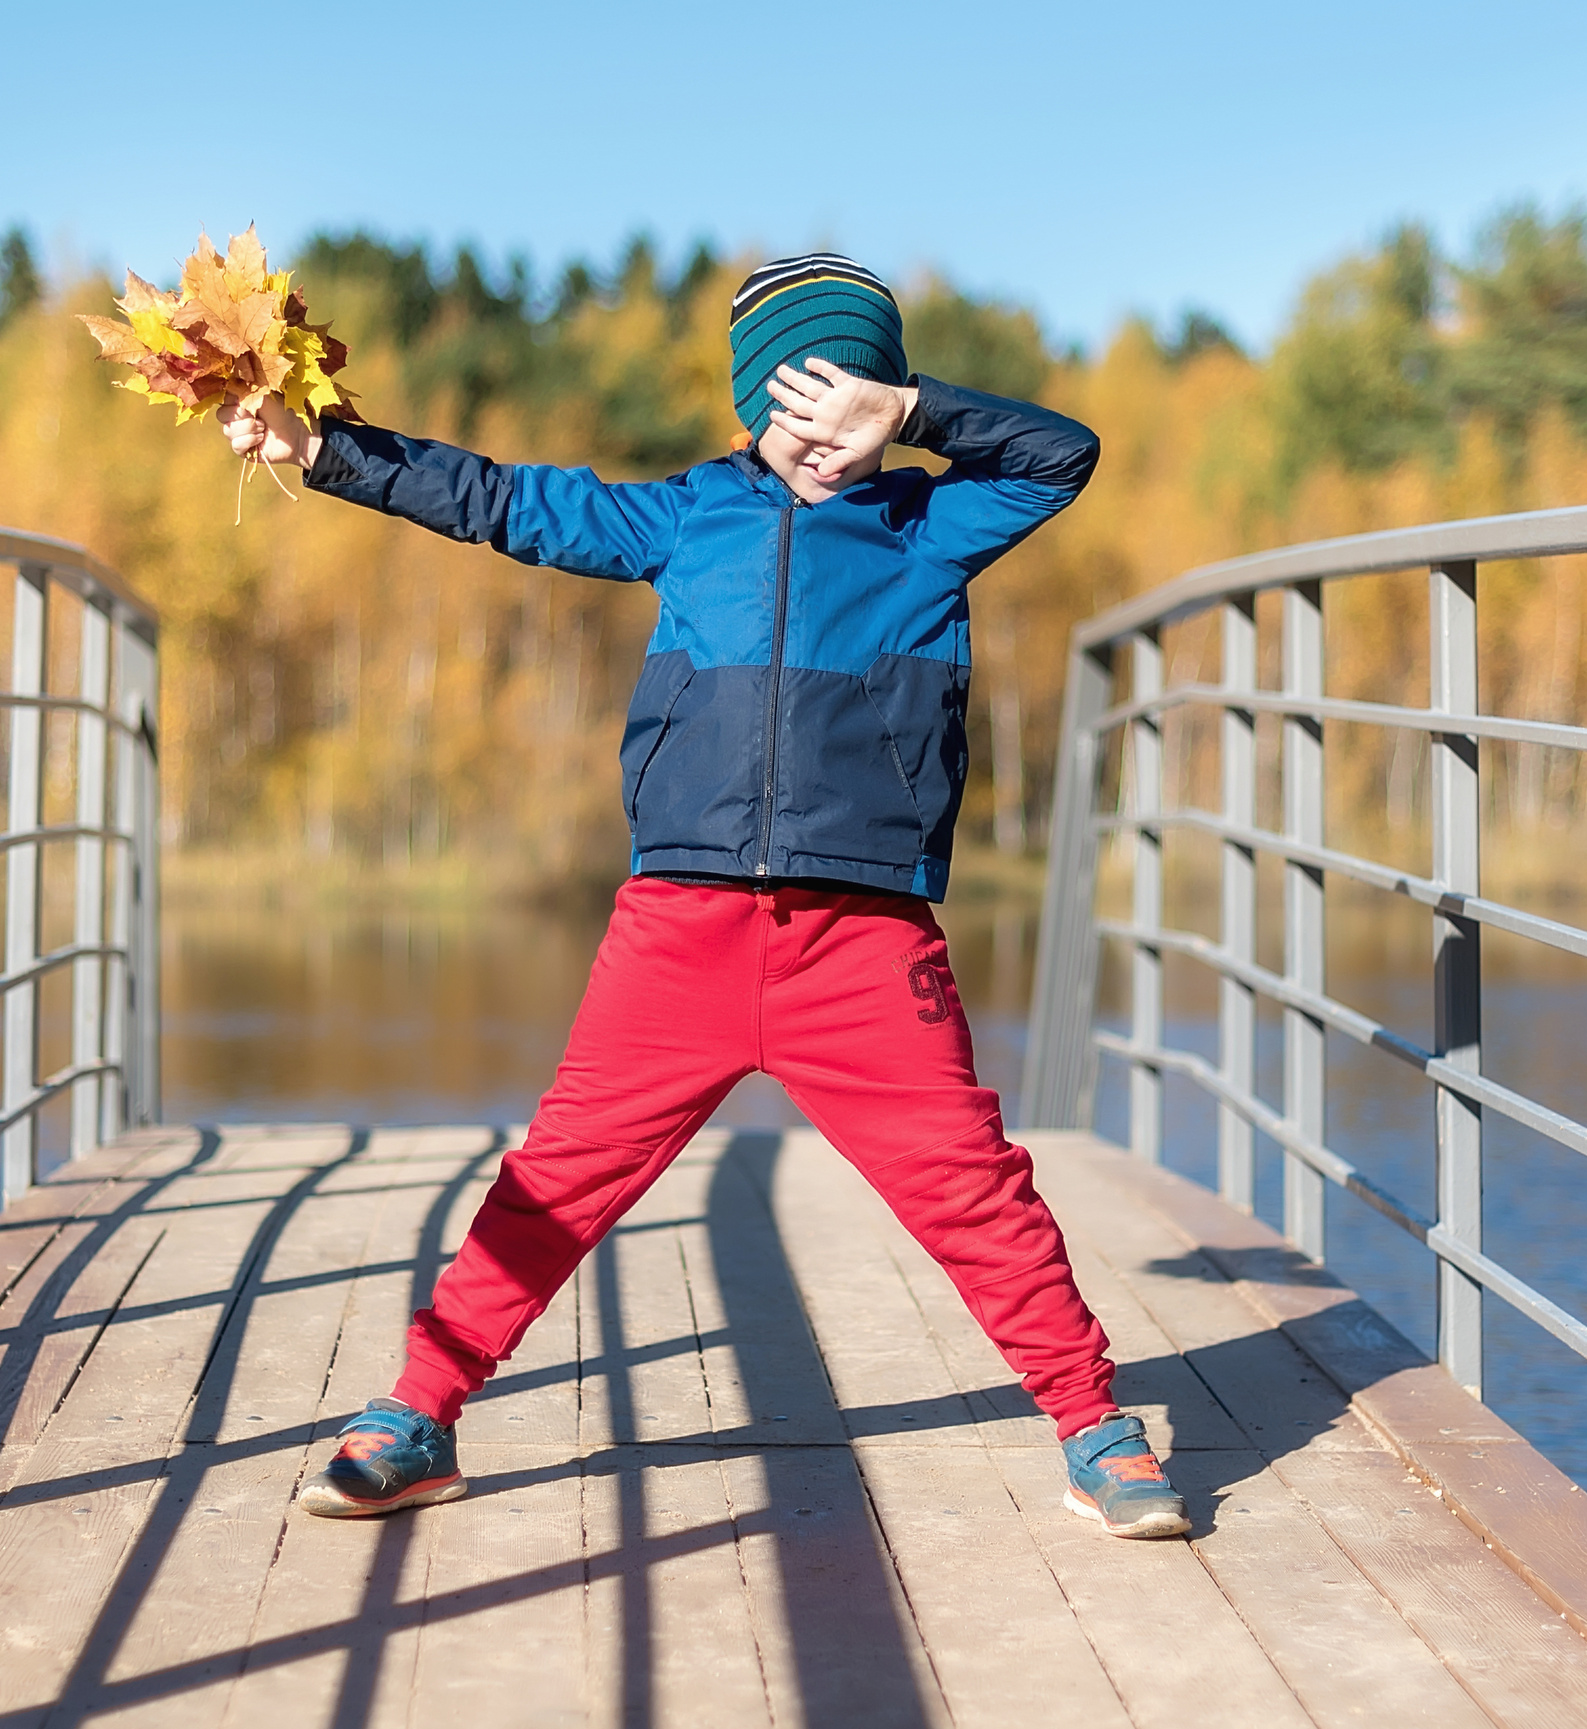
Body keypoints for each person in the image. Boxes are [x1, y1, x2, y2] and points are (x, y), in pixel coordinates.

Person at [218, 253, 1187, 1540]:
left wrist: (911, 418)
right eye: (799, 400)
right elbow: (498, 501)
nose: (824, 427)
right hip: (680, 933)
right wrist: (322, 448)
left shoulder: (931, 523)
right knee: (553, 1183)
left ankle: (1092, 1424)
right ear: (751, 410)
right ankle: (419, 1411)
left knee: (971, 1187)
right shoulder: (686, 518)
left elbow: (1060, 454)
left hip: (862, 939)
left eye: (853, 397)